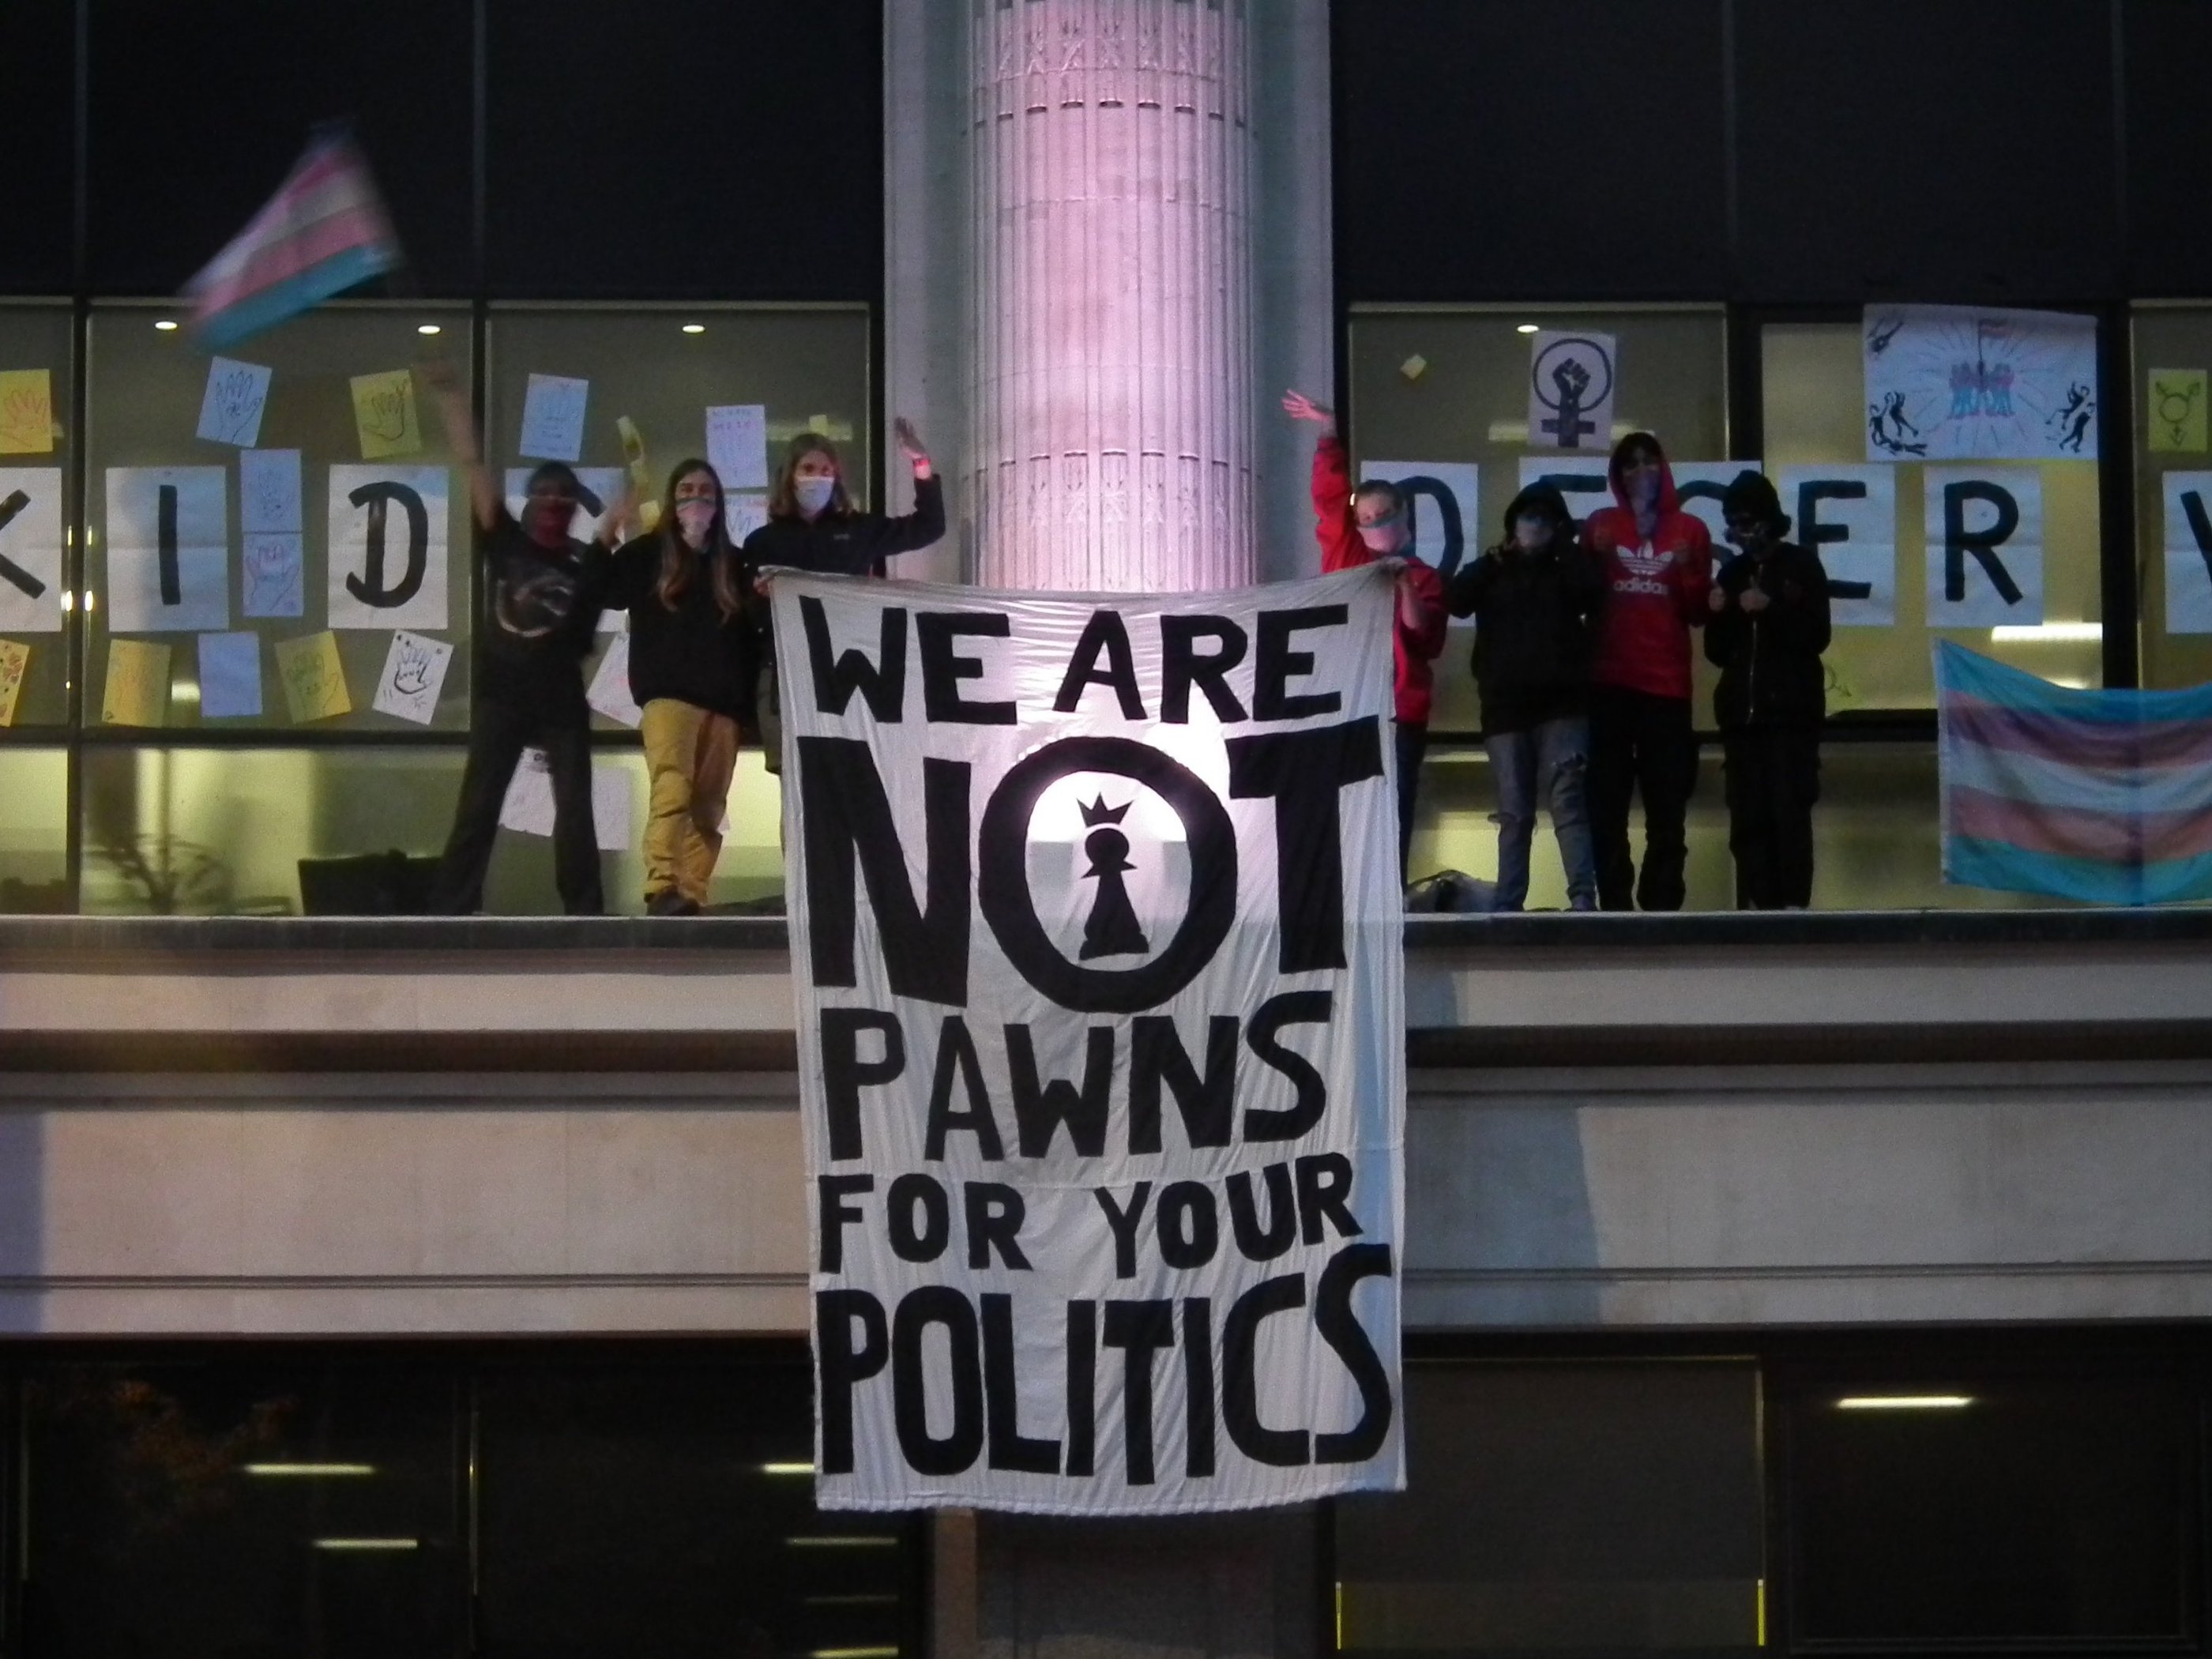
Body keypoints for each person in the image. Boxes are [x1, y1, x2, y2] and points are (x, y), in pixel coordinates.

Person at [424, 363, 623, 916]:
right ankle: (450, 908)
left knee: (575, 809)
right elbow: (474, 467)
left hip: (558, 699)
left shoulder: (585, 563)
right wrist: (453, 404)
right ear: (530, 502)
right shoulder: (506, 541)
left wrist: (613, 526)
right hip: (502, 694)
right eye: (545, 494)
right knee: (479, 804)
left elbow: (594, 596)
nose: (554, 503)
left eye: (564, 497)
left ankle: (585, 912)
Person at [1282, 389, 1448, 876]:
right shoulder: (1347, 563)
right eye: (1367, 518)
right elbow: (1331, 502)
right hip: (1346, 708)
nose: (1375, 524)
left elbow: (1425, 640)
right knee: (1346, 811)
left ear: (1404, 518)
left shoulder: (1426, 577)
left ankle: (1388, 903)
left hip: (1398, 714)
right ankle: (1350, 901)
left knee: (1394, 810)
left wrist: (1405, 587)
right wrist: (1328, 433)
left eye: (1384, 515)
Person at [604, 460, 758, 917]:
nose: (697, 498)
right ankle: (661, 884)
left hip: (724, 705)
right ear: (673, 499)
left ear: (720, 501)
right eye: (687, 489)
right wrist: (611, 529)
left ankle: (692, 892)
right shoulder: (650, 553)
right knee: (671, 789)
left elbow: (750, 634)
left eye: (707, 491)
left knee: (710, 807)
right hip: (669, 697)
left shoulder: (733, 562)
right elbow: (607, 591)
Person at [743, 422, 945, 766]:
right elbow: (746, 619)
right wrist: (760, 599)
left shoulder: (857, 530)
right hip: (786, 674)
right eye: (808, 469)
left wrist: (921, 465)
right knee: (796, 785)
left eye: (826, 470)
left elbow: (928, 527)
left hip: (848, 673)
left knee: (849, 778)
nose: (818, 478)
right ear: (790, 475)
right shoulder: (763, 542)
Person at [1447, 482, 1603, 911]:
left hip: (1563, 704)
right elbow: (1455, 601)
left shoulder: (1567, 568)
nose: (1534, 526)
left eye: (1544, 519)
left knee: (1567, 803)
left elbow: (1593, 592)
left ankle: (1583, 899)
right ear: (1513, 524)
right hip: (1505, 708)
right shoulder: (1495, 567)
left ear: (1557, 526)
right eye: (1527, 517)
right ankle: (1509, 904)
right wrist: (1494, 558)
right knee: (1514, 813)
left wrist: (1566, 546)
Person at [1582, 430, 1714, 911]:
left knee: (1667, 804)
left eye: (1649, 461)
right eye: (1630, 464)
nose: (1641, 472)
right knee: (1607, 802)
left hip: (1667, 686)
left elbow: (1700, 611)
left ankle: (1663, 905)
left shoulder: (1691, 530)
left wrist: (1688, 571)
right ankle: (1614, 901)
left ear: (1664, 467)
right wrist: (1594, 559)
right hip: (1609, 681)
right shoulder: (1601, 525)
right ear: (1618, 475)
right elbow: (1583, 599)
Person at [1705, 469, 1830, 910]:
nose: (1742, 532)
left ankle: (1793, 907)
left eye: (1749, 521)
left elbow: (1816, 635)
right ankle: (1758, 905)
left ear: (1769, 520)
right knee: (1748, 820)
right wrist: (1719, 613)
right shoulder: (1734, 571)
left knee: (1788, 813)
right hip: (1743, 717)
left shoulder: (1801, 565)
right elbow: (1717, 653)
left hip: (1790, 716)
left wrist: (1770, 608)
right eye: (1734, 523)